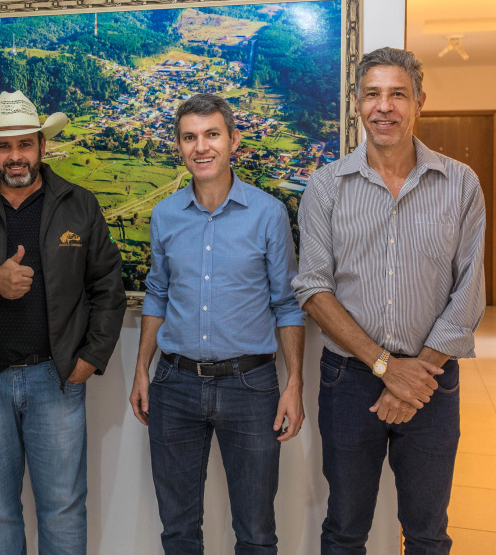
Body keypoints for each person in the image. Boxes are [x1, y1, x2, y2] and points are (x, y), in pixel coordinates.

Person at [292, 47, 485, 554]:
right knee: (345, 528)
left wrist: (411, 377)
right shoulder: (326, 186)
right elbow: (313, 288)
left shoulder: (461, 184)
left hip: (431, 382)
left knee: (426, 533)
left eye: (397, 94)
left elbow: (469, 289)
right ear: (357, 104)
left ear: (419, 101)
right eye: (373, 94)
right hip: (349, 381)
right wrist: (384, 367)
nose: (385, 107)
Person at [0, 90, 126, 555]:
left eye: (24, 144)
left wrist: (90, 358)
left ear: (42, 147)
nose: (16, 156)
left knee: (64, 507)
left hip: (57, 378)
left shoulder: (79, 204)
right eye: (4, 146)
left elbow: (108, 286)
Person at [130, 93, 306, 554]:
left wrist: (294, 386)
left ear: (233, 141)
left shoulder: (268, 215)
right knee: (179, 531)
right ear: (179, 145)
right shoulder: (166, 215)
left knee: (256, 532)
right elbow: (157, 294)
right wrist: (141, 371)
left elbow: (287, 304)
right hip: (175, 383)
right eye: (190, 137)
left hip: (251, 387)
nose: (201, 147)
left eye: (211, 134)